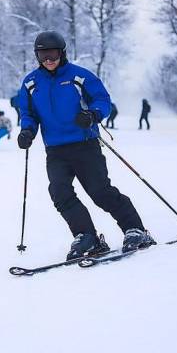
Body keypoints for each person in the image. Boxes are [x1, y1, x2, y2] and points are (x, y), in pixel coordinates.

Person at [16, 30, 154, 260]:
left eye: (52, 54)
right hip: (56, 149)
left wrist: (93, 115)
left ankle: (135, 229)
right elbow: (27, 111)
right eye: (43, 55)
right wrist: (27, 130)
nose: (48, 60)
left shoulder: (79, 76)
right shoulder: (31, 82)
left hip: (85, 143)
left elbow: (102, 99)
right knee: (60, 193)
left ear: (62, 53)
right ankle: (86, 236)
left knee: (100, 192)